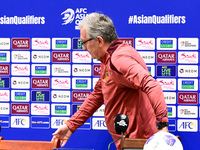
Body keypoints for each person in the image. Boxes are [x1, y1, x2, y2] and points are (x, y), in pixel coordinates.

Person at [52, 12, 168, 150]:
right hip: (129, 141)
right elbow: (97, 95)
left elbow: (152, 85)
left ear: (99, 40)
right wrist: (71, 126)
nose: (83, 47)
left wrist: (162, 127)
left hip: (138, 143)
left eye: (84, 42)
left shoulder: (118, 60)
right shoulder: (110, 57)